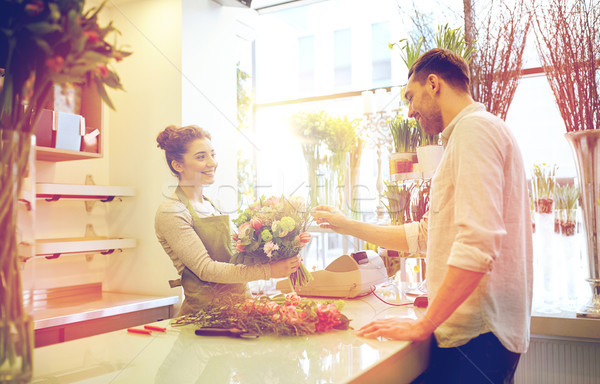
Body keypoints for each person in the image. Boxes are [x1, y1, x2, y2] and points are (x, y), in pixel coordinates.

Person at [312, 48, 532, 383]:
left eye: (410, 97)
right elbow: (426, 234)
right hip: (472, 335)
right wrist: (346, 224)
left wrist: (423, 324)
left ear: (433, 84)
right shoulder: (466, 135)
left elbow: (478, 242)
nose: (410, 111)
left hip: (478, 338)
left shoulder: (475, 131)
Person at [155, 125, 300, 316]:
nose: (212, 162)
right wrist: (268, 271)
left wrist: (275, 250)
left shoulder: (214, 205)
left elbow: (233, 260)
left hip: (240, 311)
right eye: (201, 157)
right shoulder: (172, 211)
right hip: (204, 320)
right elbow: (206, 269)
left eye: (212, 154)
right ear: (178, 165)